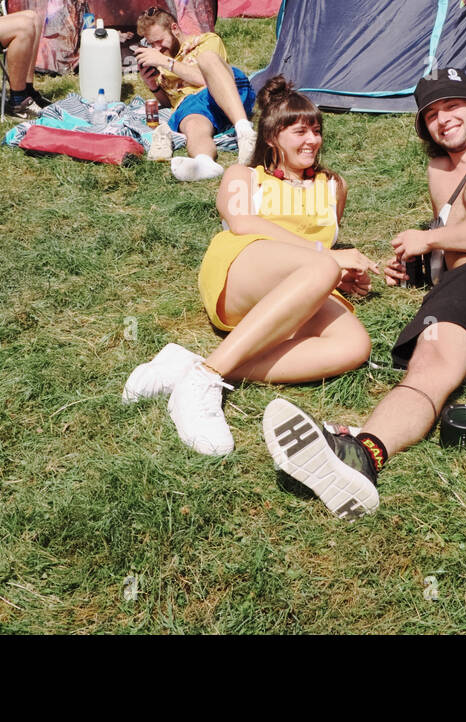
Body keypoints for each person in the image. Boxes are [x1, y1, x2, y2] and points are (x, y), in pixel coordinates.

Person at [262, 68, 466, 519]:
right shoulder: (438, 173)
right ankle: (362, 454)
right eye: (431, 114)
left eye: (452, 105)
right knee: (431, 363)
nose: (443, 119)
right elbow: (457, 243)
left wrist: (430, 239)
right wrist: (417, 266)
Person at [122, 77, 379, 455]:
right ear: (272, 137)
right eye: (300, 131)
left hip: (306, 284)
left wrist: (346, 274)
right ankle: (205, 383)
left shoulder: (333, 185)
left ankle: (196, 366)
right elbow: (243, 224)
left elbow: (326, 246)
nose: (312, 140)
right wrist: (326, 258)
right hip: (242, 271)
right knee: (322, 269)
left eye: (317, 131)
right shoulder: (243, 175)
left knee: (354, 345)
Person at [132, 6, 257, 181]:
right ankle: (204, 163)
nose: (157, 48)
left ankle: (245, 134)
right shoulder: (162, 64)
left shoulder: (206, 41)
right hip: (195, 105)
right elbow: (169, 103)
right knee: (192, 124)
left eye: (159, 41)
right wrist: (153, 85)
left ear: (174, 29)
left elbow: (205, 79)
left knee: (207, 58)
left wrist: (167, 63)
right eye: (151, 44)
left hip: (227, 92)